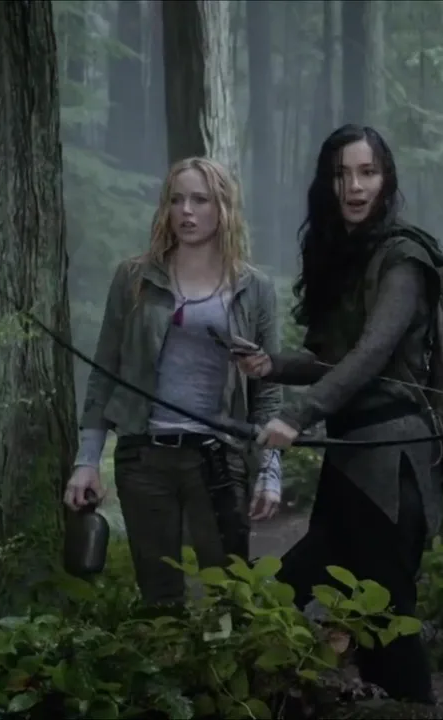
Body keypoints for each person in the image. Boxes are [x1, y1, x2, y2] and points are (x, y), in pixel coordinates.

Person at [233, 124, 438, 706]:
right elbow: (333, 360)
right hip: (351, 464)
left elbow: (372, 354)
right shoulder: (347, 256)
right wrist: (272, 365)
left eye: (367, 172)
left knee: (387, 623)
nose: (355, 186)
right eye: (342, 174)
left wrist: (297, 417)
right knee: (294, 590)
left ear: (386, 178)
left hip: (392, 464)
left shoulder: (403, 257)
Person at [63, 156, 284, 607]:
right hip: (145, 456)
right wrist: (87, 461)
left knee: (228, 594)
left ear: (223, 208)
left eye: (200, 200)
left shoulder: (253, 288)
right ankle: (164, 656)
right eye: (176, 200)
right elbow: (105, 372)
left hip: (219, 458)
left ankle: (224, 656)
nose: (186, 211)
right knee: (159, 598)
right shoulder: (134, 278)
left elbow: (268, 389)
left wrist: (271, 472)